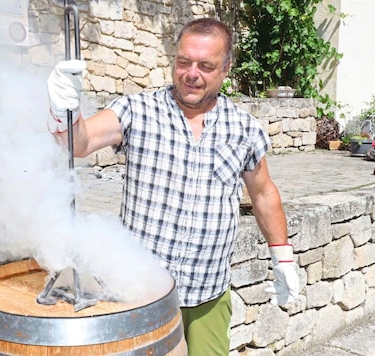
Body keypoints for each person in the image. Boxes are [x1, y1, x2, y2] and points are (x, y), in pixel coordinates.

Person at [46, 18, 300, 355]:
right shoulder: (137, 110)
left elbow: (264, 193)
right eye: (183, 62)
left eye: (206, 66)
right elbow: (78, 143)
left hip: (208, 294)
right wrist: (62, 109)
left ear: (225, 69)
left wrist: (282, 256)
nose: (191, 73)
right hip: (140, 294)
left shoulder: (244, 127)